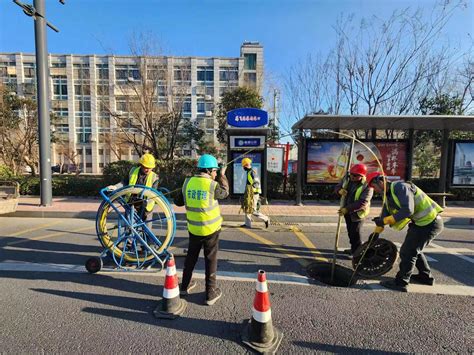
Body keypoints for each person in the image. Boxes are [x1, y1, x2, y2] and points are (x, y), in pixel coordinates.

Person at [367, 172, 444, 292]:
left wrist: (387, 220)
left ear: (380, 181)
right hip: (421, 223)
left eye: (374, 186)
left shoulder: (400, 187)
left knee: (407, 252)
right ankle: (425, 277)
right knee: (414, 250)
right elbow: (385, 213)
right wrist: (377, 231)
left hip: (430, 223)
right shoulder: (388, 194)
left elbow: (408, 210)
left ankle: (401, 282)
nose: (374, 190)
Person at [178, 154, 229, 306]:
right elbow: (225, 192)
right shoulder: (212, 185)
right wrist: (223, 175)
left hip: (193, 229)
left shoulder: (187, 183)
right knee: (210, 260)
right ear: (209, 170)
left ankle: (184, 286)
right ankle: (210, 294)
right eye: (214, 171)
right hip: (210, 230)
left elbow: (177, 201)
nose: (215, 174)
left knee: (191, 258)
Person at [107, 153, 159, 221]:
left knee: (146, 229)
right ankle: (129, 231)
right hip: (131, 203)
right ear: (141, 165)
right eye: (146, 167)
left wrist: (146, 203)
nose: (148, 170)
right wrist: (115, 187)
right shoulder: (132, 171)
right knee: (130, 227)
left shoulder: (154, 177)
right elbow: (124, 183)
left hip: (146, 207)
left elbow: (153, 194)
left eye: (150, 168)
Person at [334, 164, 373, 256]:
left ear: (362, 176)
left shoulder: (368, 186)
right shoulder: (347, 178)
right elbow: (337, 187)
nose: (352, 176)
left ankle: (357, 253)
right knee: (350, 232)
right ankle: (353, 249)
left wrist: (347, 209)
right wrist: (339, 190)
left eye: (355, 175)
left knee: (355, 233)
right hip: (346, 211)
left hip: (358, 214)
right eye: (351, 174)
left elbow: (363, 202)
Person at [241, 157, 269, 228]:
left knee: (252, 210)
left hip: (253, 194)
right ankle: (247, 224)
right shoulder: (249, 172)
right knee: (247, 208)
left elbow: (256, 183)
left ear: (246, 165)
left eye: (243, 166)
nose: (243, 167)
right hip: (250, 194)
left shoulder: (252, 172)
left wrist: (252, 192)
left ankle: (266, 218)